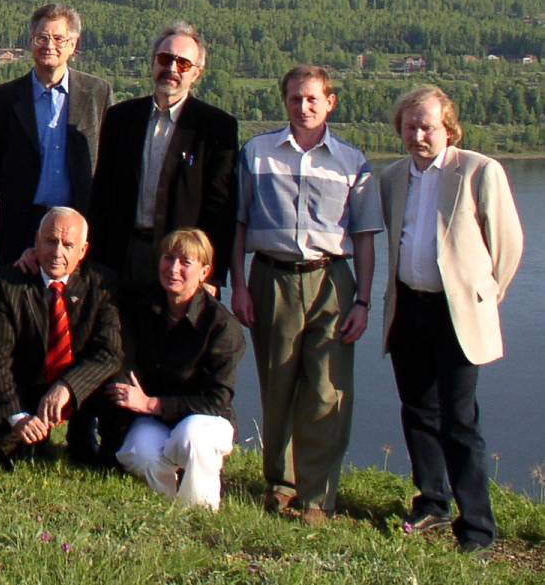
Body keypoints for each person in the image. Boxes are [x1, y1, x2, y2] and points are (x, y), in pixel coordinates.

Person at [230, 65, 381, 525]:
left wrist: (363, 301)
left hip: (332, 280)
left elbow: (365, 237)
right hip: (272, 278)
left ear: (330, 102)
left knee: (327, 391)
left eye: (313, 98)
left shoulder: (352, 162)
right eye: (295, 98)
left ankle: (317, 498)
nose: (303, 106)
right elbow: (237, 224)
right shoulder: (257, 153)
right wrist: (239, 286)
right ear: (285, 101)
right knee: (277, 384)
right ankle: (280, 484)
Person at [378, 86, 524, 556]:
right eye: (410, 127)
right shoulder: (392, 177)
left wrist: (485, 295)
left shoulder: (480, 170)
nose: (418, 135)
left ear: (449, 128)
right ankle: (432, 502)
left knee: (460, 420)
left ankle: (477, 526)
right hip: (408, 307)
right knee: (417, 411)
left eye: (428, 127)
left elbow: (508, 244)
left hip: (456, 313)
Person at [89, 22, 237, 299]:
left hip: (182, 265)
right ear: (152, 63)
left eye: (183, 63)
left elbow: (221, 209)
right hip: (121, 258)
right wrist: (93, 261)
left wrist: (212, 274)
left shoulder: (216, 128)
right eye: (165, 59)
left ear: (196, 73)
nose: (171, 68)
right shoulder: (120, 118)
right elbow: (101, 193)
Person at [108, 229, 246, 511]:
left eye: (185, 262)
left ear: (204, 271)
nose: (173, 269)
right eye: (168, 258)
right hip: (155, 419)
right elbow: (124, 358)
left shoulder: (222, 326)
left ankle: (199, 511)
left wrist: (152, 404)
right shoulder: (142, 306)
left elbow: (217, 400)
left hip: (205, 419)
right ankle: (169, 506)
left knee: (192, 438)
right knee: (139, 453)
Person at [0, 207, 122, 464]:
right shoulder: (8, 282)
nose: (57, 252)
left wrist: (68, 387)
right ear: (36, 241)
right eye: (50, 241)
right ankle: (28, 431)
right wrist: (18, 417)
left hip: (79, 390)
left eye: (68, 245)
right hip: (27, 388)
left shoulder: (102, 284)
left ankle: (85, 437)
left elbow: (109, 354)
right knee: (6, 439)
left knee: (115, 400)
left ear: (83, 250)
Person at [0, 4, 111, 268]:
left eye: (58, 38)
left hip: (78, 224)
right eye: (41, 38)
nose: (49, 45)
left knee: (74, 295)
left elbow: (108, 156)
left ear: (73, 44)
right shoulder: (3, 99)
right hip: (21, 224)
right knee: (16, 293)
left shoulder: (97, 92)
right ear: (31, 41)